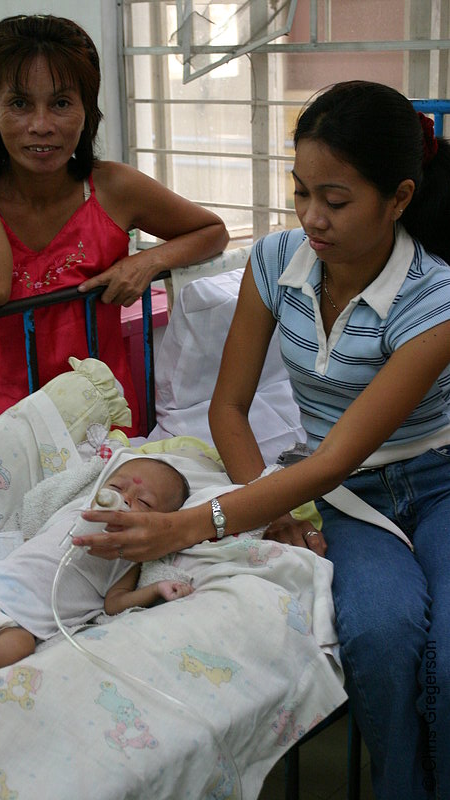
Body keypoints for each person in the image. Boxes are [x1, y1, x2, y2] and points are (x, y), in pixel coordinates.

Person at [71, 82, 450, 800]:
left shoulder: (435, 297)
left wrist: (184, 525)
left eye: (334, 201)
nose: (311, 217)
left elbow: (335, 451)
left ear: (398, 198)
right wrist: (267, 506)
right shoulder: (277, 263)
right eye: (300, 191)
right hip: (341, 493)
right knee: (381, 634)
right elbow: (229, 408)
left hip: (435, 479)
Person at [0, 14, 228, 448]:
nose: (42, 124)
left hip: (93, 423)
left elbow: (211, 230)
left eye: (62, 103)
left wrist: (147, 261)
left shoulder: (114, 189)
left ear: (87, 112)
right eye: (19, 104)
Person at [0, 456, 191, 709]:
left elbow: (114, 603)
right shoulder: (75, 514)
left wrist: (156, 589)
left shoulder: (128, 557)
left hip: (16, 624)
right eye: (116, 487)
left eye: (143, 503)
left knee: (17, 648)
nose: (124, 499)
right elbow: (28, 542)